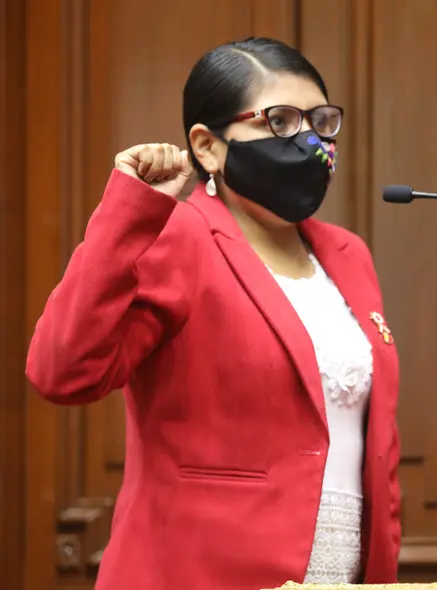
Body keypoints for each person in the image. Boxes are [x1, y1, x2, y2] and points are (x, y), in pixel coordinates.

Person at [26, 38, 401, 589]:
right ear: (206, 145)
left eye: (320, 121)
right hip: (199, 571)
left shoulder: (348, 255)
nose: (309, 141)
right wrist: (130, 211)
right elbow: (62, 372)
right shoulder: (174, 235)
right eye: (280, 121)